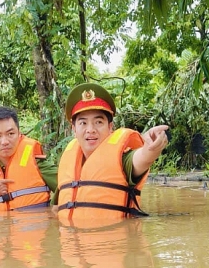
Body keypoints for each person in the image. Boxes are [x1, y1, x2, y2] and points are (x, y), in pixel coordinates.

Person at [54, 83, 168, 227]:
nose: (90, 130)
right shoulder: (67, 163)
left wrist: (151, 149)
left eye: (98, 122)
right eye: (83, 123)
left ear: (110, 127)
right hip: (72, 246)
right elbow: (55, 209)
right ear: (74, 129)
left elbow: (141, 159)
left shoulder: (122, 159)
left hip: (112, 245)